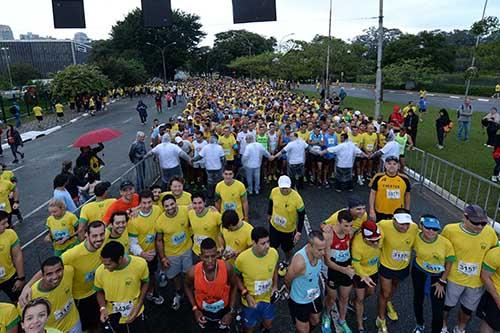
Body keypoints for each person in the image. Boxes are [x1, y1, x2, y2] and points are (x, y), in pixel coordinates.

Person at [441, 205, 498, 333]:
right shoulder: (450, 230)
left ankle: (460, 328)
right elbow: (442, 251)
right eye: (476, 223)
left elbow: (495, 250)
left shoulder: (489, 232)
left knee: (467, 310)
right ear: (464, 218)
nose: (480, 227)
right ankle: (443, 325)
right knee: (446, 307)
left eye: (483, 223)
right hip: (453, 278)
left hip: (476, 282)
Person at [376, 209, 418, 333]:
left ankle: (389, 302)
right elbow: (370, 232)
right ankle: (381, 319)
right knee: (384, 292)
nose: (405, 227)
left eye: (407, 224)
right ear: (393, 220)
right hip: (386, 265)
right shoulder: (384, 224)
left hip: (403, 266)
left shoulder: (414, 227)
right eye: (401, 224)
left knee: (394, 286)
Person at [411, 215, 455, 333]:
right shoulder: (415, 237)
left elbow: (450, 261)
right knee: (418, 300)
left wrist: (442, 281)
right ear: (421, 226)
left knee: (437, 309)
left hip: (438, 278)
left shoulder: (445, 243)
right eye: (428, 228)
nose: (431, 231)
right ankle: (419, 324)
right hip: (419, 272)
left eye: (435, 229)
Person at [184, 238, 238, 333]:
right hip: (203, 311)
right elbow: (187, 286)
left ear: (217, 254)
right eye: (206, 257)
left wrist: (231, 312)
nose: (210, 260)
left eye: (213, 256)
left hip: (223, 310)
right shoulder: (192, 272)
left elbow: (234, 286)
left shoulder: (227, 268)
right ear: (200, 256)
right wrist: (195, 309)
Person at [95, 241, 149, 332]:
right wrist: (103, 308)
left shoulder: (140, 264)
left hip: (136, 313)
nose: (105, 267)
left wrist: (139, 305)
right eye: (104, 263)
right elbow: (99, 291)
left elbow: (146, 282)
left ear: (120, 259)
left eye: (108, 264)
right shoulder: (100, 271)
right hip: (113, 317)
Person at [234, 227, 279, 333]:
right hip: (250, 301)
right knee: (249, 328)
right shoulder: (242, 259)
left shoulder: (273, 253)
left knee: (268, 323)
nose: (267, 246)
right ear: (254, 242)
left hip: (267, 298)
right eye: (263, 243)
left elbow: (275, 268)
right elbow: (235, 276)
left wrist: (275, 285)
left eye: (268, 242)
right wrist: (245, 294)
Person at [155, 194, 193, 310]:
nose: (170, 207)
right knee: (174, 276)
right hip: (171, 254)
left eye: (172, 204)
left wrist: (211, 208)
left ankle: (190, 292)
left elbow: (199, 208)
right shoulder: (160, 222)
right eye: (166, 206)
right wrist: (163, 258)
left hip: (187, 250)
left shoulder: (185, 210)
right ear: (163, 207)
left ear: (176, 203)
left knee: (188, 274)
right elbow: (159, 240)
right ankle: (179, 293)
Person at [285, 231, 326, 333]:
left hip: (314, 294)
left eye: (324, 249)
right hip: (299, 300)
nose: (323, 253)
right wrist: (291, 293)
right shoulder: (300, 263)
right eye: (320, 250)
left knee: (316, 320)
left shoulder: (319, 254)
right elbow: (287, 279)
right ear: (310, 246)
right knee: (303, 330)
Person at [27, 256, 82, 333]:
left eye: (58, 270)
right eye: (49, 274)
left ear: (63, 269)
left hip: (74, 324)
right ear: (42, 276)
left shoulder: (69, 272)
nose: (55, 277)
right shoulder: (30, 295)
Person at [321, 211, 356, 333]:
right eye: (346, 226)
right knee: (331, 297)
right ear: (338, 223)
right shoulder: (329, 236)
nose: (349, 229)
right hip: (334, 270)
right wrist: (344, 270)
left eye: (351, 225)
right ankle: (326, 316)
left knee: (345, 297)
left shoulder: (350, 233)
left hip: (346, 268)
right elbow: (328, 262)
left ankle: (342, 320)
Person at [128, 189, 164, 305]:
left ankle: (152, 292)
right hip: (140, 255)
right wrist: (143, 254)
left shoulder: (157, 210)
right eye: (144, 203)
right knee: (139, 277)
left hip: (153, 252)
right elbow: (132, 242)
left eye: (149, 202)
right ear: (139, 203)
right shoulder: (133, 220)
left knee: (151, 274)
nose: (147, 205)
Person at [268, 175, 305, 273]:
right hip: (274, 227)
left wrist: (299, 232)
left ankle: (287, 261)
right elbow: (271, 202)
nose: (284, 190)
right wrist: (269, 214)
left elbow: (301, 215)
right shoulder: (274, 191)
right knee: (272, 246)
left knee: (287, 249)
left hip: (288, 231)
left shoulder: (297, 198)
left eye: (286, 188)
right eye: (282, 188)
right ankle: (271, 261)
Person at [351, 220, 382, 333]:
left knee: (370, 292)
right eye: (372, 241)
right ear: (364, 239)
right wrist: (363, 275)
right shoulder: (357, 246)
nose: (376, 244)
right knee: (360, 298)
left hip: (373, 270)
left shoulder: (379, 236)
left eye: (377, 240)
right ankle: (360, 325)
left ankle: (352, 302)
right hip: (360, 272)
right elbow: (355, 263)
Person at [368, 156, 411, 221]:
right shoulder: (378, 177)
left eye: (394, 164)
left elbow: (407, 195)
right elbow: (372, 194)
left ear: (398, 166)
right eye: (389, 163)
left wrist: (407, 210)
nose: (392, 166)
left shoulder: (405, 179)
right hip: (380, 211)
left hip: (397, 212)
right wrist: (371, 210)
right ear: (385, 165)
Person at [0, 210, 25, 302]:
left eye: (7, 222)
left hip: (9, 277)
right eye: (3, 223)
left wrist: (21, 278)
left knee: (20, 302)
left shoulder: (10, 233)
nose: (7, 225)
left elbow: (17, 255)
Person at [188, 192, 222, 259]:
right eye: (194, 203)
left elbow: (224, 230)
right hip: (197, 252)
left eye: (200, 203)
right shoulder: (190, 213)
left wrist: (222, 246)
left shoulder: (214, 214)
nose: (197, 206)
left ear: (205, 202)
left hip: (212, 253)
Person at [478, 245, 500, 333]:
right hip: (497, 295)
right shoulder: (496, 254)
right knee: (489, 323)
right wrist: (497, 299)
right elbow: (485, 276)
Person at [196, 136, 226, 201]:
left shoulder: (205, 147)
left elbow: (200, 156)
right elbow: (223, 158)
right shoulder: (219, 147)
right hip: (218, 167)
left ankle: (210, 194)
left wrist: (193, 160)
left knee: (210, 181)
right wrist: (224, 166)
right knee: (218, 181)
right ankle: (218, 193)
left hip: (209, 167)